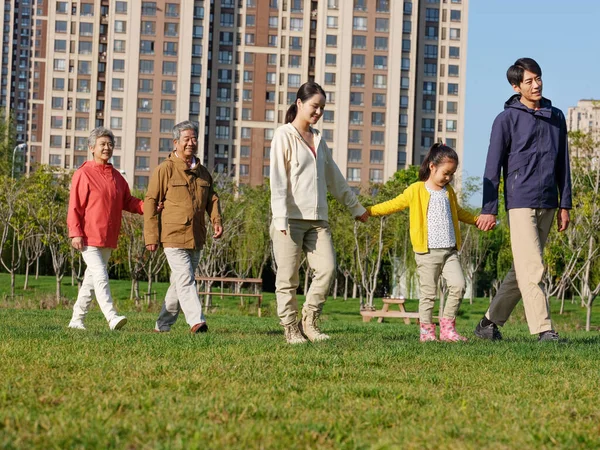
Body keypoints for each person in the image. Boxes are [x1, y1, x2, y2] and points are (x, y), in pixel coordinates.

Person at [475, 58, 572, 342]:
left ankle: (487, 323)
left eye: (538, 78)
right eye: (529, 81)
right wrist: (489, 209)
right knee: (533, 268)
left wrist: (565, 203)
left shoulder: (556, 117)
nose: (536, 84)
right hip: (520, 202)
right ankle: (544, 330)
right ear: (516, 86)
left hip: (549, 202)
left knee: (523, 269)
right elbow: (492, 167)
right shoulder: (506, 119)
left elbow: (563, 163)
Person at [270, 81, 368, 344]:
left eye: (322, 108)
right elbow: (277, 178)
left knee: (327, 269)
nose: (318, 112)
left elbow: (334, 179)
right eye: (315, 106)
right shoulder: (284, 135)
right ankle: (290, 328)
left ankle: (309, 320)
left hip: (318, 220)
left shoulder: (319, 140)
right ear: (300, 103)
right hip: (289, 219)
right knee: (288, 278)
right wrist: (279, 216)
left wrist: (356, 208)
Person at [367, 144, 482, 342]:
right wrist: (368, 211)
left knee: (459, 285)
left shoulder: (449, 192)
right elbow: (392, 204)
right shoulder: (416, 190)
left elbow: (459, 212)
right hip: (427, 252)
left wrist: (476, 220)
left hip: (450, 251)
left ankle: (447, 329)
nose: (449, 178)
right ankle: (427, 333)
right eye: (446, 173)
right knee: (428, 295)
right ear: (432, 167)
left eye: (452, 174)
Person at [144, 120, 222, 334]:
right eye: (186, 139)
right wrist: (151, 236)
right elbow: (150, 201)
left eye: (194, 139)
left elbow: (212, 200)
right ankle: (197, 321)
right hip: (173, 236)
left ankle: (162, 325)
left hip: (196, 237)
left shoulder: (203, 172)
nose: (191, 143)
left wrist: (216, 221)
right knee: (186, 278)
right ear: (176, 143)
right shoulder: (165, 169)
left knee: (179, 283)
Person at [67, 127, 143, 330]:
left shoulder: (117, 177)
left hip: (108, 237)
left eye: (110, 144)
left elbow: (129, 201)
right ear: (92, 148)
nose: (107, 148)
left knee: (91, 281)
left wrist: (150, 207)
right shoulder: (83, 174)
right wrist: (75, 232)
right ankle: (111, 316)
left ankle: (76, 320)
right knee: (100, 275)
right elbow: (74, 205)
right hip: (88, 237)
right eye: (102, 144)